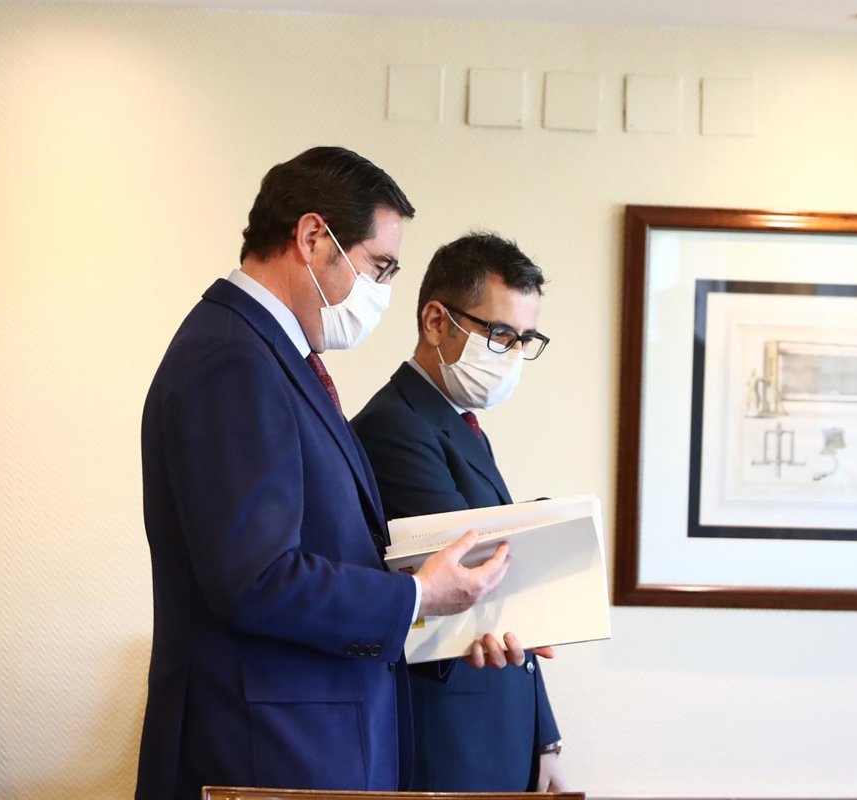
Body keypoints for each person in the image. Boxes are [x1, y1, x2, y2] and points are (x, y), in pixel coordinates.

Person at [135, 148, 516, 800]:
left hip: (306, 743)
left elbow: (325, 552)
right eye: (379, 266)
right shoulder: (232, 359)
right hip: (266, 752)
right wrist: (416, 597)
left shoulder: (272, 354)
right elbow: (256, 579)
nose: (382, 292)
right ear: (313, 238)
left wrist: (447, 610)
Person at [353, 233, 568, 793]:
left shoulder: (460, 424)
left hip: (499, 728)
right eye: (500, 335)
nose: (513, 355)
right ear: (436, 321)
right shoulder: (395, 426)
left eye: (525, 340)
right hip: (450, 736)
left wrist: (544, 737)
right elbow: (482, 582)